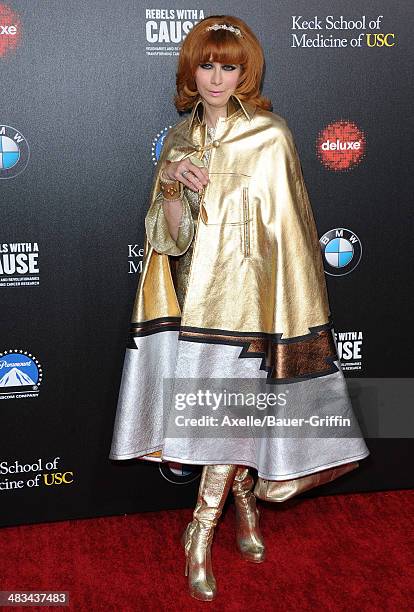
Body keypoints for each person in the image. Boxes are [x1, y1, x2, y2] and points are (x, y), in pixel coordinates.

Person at [109, 15, 370, 602]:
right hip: (191, 306)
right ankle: (244, 508)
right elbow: (168, 239)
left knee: (227, 413)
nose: (217, 77)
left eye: (229, 66)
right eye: (207, 64)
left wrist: (292, 310)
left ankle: (199, 533)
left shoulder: (271, 136)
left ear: (245, 71)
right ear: (190, 70)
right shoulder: (178, 140)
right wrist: (173, 184)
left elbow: (294, 234)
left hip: (253, 303)